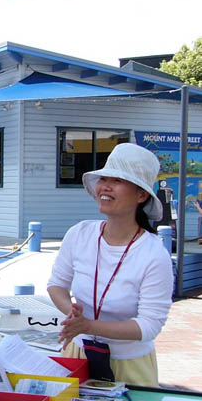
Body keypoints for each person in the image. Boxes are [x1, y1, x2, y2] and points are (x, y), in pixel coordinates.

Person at [47, 143, 173, 387]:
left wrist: (88, 326)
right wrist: (73, 315)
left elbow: (149, 326)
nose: (105, 186)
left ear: (141, 195)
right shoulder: (79, 234)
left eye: (117, 180)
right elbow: (56, 285)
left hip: (130, 365)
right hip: (77, 355)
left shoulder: (153, 254)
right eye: (103, 178)